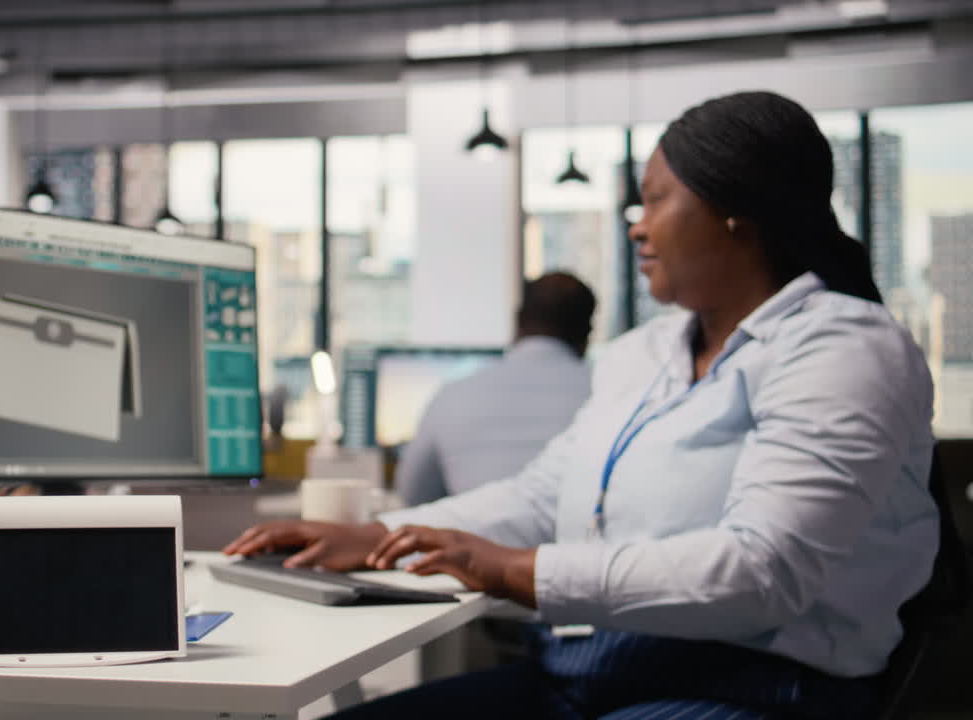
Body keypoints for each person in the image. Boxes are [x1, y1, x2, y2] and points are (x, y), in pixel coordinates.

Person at [223, 90, 937, 719]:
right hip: (587, 672)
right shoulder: (645, 353)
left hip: (758, 689)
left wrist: (511, 569)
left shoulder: (842, 348)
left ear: (732, 211)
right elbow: (544, 495)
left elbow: (762, 573)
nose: (636, 224)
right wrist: (379, 535)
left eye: (655, 199)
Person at [394, 272, 595, 506]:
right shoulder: (608, 395)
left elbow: (414, 496)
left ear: (517, 321)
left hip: (474, 538)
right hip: (579, 540)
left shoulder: (454, 394)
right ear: (586, 333)